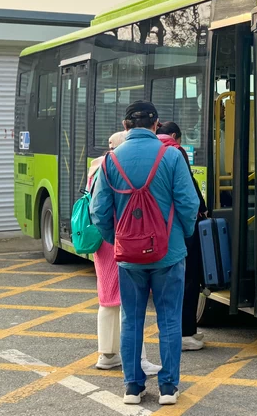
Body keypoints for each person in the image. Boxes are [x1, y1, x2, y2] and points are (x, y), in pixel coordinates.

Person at [91, 101, 200, 406]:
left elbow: (98, 211)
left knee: (131, 319)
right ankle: (168, 388)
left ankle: (132, 387)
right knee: (168, 319)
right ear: (155, 126)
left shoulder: (111, 160)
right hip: (169, 253)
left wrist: (119, 239)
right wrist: (180, 237)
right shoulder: (171, 155)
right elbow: (189, 205)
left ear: (125, 127)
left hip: (128, 256)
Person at [88, 131, 161, 375]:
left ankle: (106, 354)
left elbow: (97, 208)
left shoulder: (97, 167)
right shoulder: (117, 167)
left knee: (107, 298)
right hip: (121, 239)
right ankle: (138, 359)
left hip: (104, 241)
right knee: (130, 302)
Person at [156, 121, 208, 351]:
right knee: (189, 279)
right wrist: (198, 217)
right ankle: (185, 333)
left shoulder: (152, 151)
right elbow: (189, 192)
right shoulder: (176, 152)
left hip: (158, 228)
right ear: (175, 135)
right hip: (181, 228)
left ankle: (181, 332)